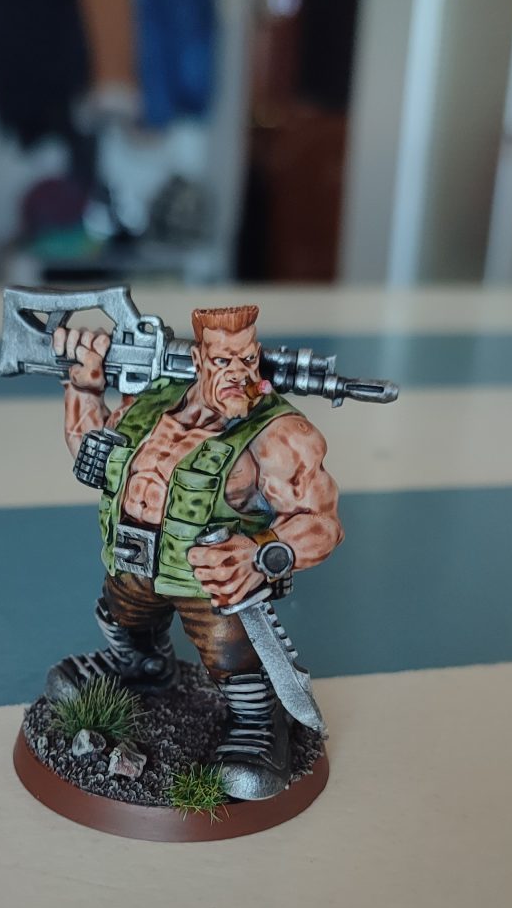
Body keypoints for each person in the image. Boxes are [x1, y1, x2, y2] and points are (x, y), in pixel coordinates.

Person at [47, 304, 343, 799]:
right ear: (198, 360)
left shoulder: (279, 435)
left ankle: (258, 721)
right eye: (224, 362)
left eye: (248, 360)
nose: (239, 375)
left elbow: (322, 523)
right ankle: (140, 666)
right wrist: (83, 385)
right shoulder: (148, 402)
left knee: (229, 651)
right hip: (132, 558)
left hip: (207, 580)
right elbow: (92, 456)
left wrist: (259, 554)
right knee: (122, 614)